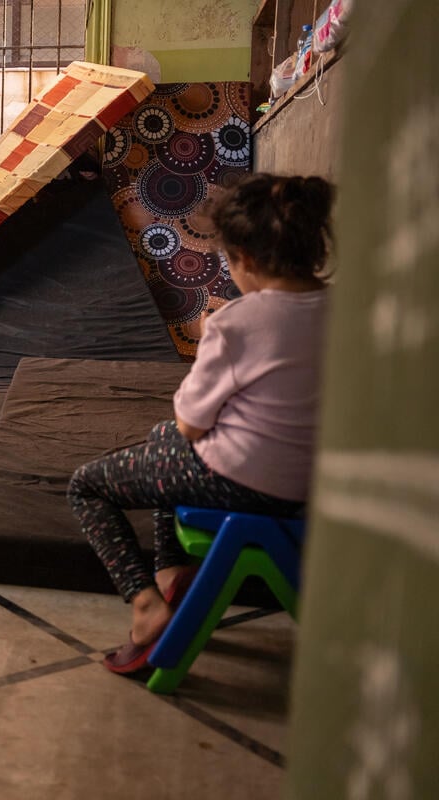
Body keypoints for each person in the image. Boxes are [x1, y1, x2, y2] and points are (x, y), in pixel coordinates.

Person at [66, 173, 333, 674]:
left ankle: (146, 605)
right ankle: (171, 570)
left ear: (245, 260)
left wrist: (212, 335)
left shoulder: (238, 322)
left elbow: (190, 422)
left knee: (88, 485)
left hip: (241, 482)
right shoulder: (346, 310)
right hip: (310, 483)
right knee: (162, 443)